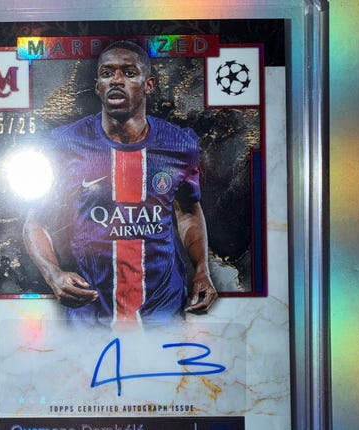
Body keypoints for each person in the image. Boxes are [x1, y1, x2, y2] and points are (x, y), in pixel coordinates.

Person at [23, 40, 217, 327]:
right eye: (107, 73)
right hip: (91, 312)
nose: (116, 80)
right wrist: (53, 274)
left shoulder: (179, 144)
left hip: (162, 311)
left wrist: (202, 270)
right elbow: (36, 222)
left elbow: (188, 211)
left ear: (148, 85)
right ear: (98, 86)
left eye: (128, 72)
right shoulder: (66, 143)